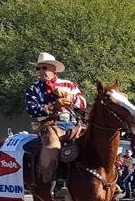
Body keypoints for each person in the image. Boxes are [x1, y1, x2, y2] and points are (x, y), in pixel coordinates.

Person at [23, 52, 87, 186]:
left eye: (44, 68)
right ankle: (55, 180)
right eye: (38, 68)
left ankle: (105, 178)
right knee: (53, 144)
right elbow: (31, 109)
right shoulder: (34, 88)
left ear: (53, 69)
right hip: (50, 123)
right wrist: (52, 107)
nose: (40, 71)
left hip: (74, 123)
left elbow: (83, 103)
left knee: (95, 139)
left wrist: (71, 97)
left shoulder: (68, 85)